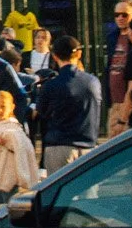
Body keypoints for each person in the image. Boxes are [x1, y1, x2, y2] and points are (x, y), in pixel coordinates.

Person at [36, 34, 103, 174]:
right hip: (88, 148)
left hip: (59, 147)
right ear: (79, 54)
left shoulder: (50, 85)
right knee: (88, 193)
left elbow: (41, 112)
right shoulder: (93, 82)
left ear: (54, 56)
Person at [0, 91, 37, 204]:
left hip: (10, 172)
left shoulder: (15, 127)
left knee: (9, 203)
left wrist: (7, 144)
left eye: (3, 106)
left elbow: (23, 149)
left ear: (12, 107)